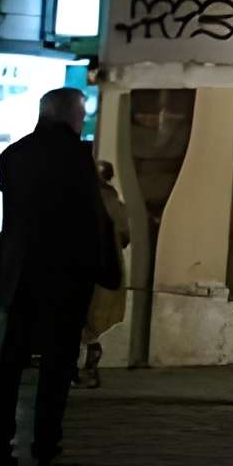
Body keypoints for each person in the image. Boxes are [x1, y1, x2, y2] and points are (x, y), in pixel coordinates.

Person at [0, 88, 115, 466]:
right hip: (64, 273)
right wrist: (103, 268)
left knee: (11, 361)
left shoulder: (14, 155)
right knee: (57, 364)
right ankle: (45, 447)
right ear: (71, 115)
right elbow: (91, 219)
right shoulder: (75, 157)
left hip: (22, 272)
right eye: (81, 112)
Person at [80, 160, 134, 389]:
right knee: (93, 326)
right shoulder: (114, 201)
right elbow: (124, 236)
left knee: (82, 323)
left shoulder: (81, 198)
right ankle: (90, 372)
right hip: (107, 270)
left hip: (83, 269)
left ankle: (80, 372)